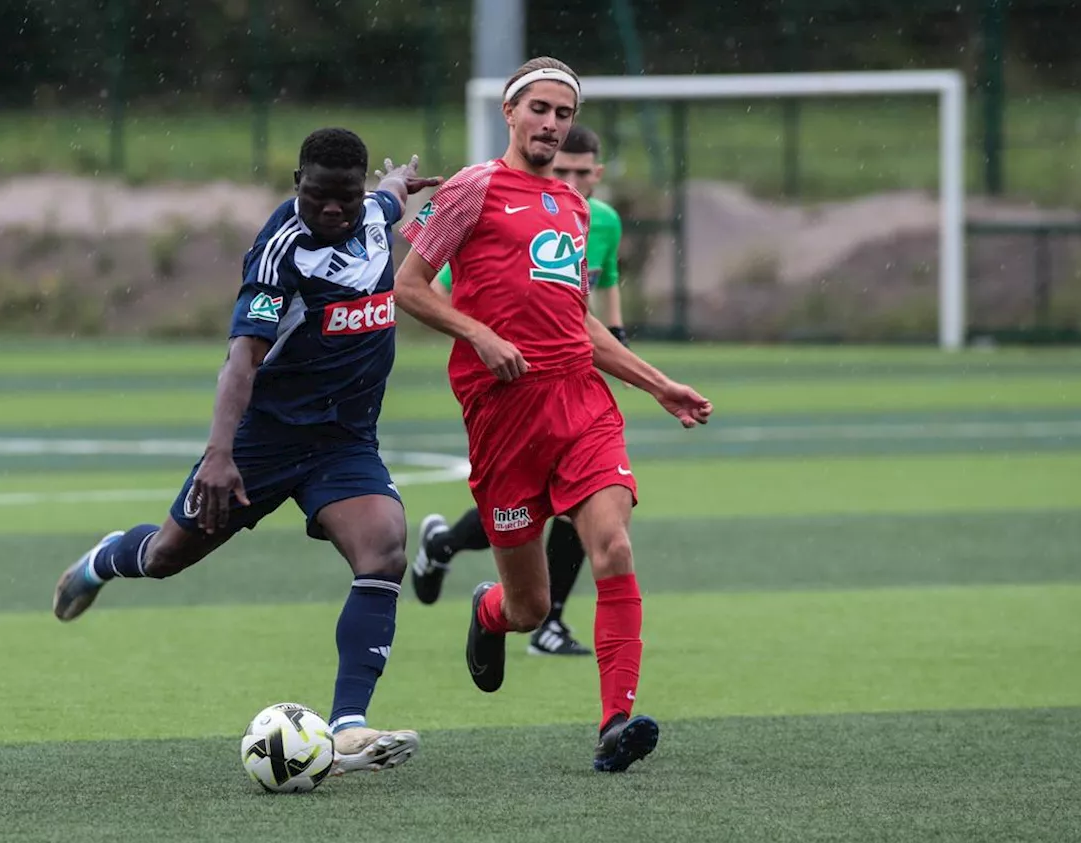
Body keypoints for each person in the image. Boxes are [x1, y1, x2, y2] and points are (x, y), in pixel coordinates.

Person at [51, 128, 441, 778]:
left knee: (384, 547)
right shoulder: (278, 254)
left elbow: (386, 201)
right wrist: (218, 453)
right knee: (165, 556)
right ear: (298, 186)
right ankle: (103, 559)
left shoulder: (373, 215)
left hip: (344, 442)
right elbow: (241, 360)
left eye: (346, 196)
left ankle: (347, 728)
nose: (335, 211)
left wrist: (396, 183)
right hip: (263, 442)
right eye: (319, 197)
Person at [394, 58, 712, 772]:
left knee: (615, 550)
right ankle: (487, 613)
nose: (551, 124)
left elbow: (579, 325)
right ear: (510, 113)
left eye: (563, 114)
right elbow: (407, 289)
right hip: (503, 416)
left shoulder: (572, 209)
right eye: (539, 109)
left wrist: (656, 383)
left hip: (580, 403)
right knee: (530, 608)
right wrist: (479, 333)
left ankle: (614, 724)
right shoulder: (473, 189)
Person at [411, 123, 628, 659]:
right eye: (566, 170)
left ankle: (551, 620)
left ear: (597, 174)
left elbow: (602, 304)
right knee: (523, 515)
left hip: (573, 381)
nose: (573, 178)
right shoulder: (485, 196)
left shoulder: (596, 221)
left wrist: (634, 368)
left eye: (584, 172)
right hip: (506, 388)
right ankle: (447, 547)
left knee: (587, 509)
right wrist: (486, 334)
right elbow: (441, 288)